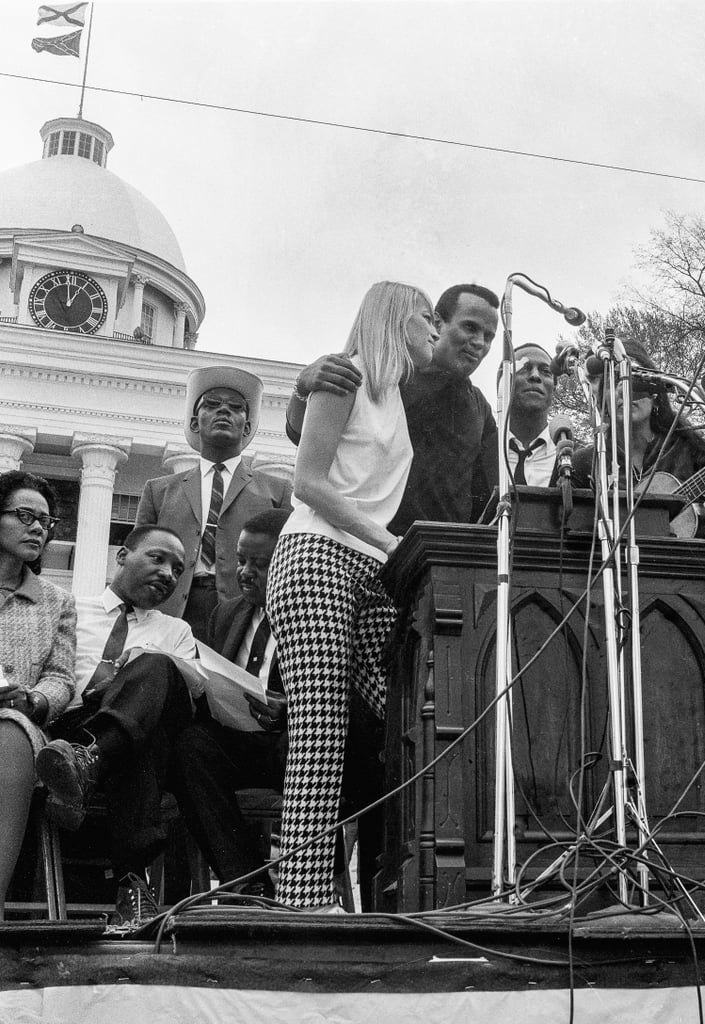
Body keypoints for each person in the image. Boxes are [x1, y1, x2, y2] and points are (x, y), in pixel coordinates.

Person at [266, 281, 437, 908]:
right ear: (396, 317)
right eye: (427, 318)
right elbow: (307, 484)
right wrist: (389, 541)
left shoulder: (395, 396)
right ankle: (301, 897)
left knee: (397, 720)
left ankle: (390, 886)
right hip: (316, 558)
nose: (435, 330)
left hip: (368, 570)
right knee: (322, 729)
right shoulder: (342, 378)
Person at [34, 525, 200, 928]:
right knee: (140, 740)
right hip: (68, 727)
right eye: (157, 558)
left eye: (177, 569)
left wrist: (142, 661)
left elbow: (193, 688)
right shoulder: (70, 607)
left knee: (156, 671)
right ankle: (132, 884)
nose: (167, 574)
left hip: (128, 734)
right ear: (122, 556)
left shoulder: (176, 631)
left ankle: (92, 761)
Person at [286, 283, 499, 532]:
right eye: (470, 328)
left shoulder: (479, 408)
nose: (479, 343)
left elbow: (491, 493)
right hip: (360, 540)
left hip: (439, 555)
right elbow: (299, 436)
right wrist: (302, 388)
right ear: (437, 323)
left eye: (489, 336)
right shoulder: (373, 374)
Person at [170, 509, 290, 898]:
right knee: (189, 744)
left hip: (291, 747)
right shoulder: (226, 613)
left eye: (261, 563)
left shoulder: (310, 611)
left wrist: (287, 708)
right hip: (239, 742)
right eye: (241, 561)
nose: (245, 573)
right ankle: (247, 884)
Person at [136, 366, 292, 644]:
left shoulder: (277, 491)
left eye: (235, 407)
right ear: (195, 422)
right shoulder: (158, 491)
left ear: (246, 427)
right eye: (212, 404)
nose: (224, 411)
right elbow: (140, 560)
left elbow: (286, 565)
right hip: (170, 611)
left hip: (243, 615)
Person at [570, 339, 705, 531]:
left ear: (654, 392)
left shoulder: (689, 448)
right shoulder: (585, 463)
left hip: (688, 570)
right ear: (599, 398)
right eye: (614, 382)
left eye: (635, 381)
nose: (626, 391)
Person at [0, 471, 76, 918]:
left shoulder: (56, 601)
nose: (37, 529)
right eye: (26, 516)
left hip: (16, 719)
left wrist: (35, 701)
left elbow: (61, 678)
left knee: (9, 733)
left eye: (46, 522)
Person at [503, 343, 562, 486]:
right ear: (503, 381)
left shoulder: (573, 457)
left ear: (554, 387)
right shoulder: (480, 449)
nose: (535, 376)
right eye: (524, 369)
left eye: (546, 371)